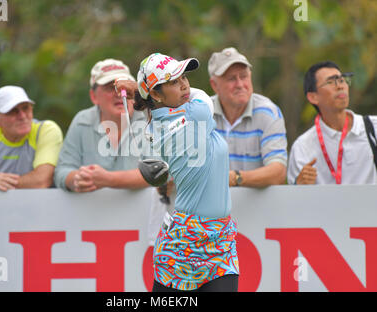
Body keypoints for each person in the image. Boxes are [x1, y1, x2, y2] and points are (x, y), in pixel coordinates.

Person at [116, 53, 239, 292]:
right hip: (185, 244)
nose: (184, 85)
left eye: (183, 77)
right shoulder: (197, 113)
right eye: (173, 81)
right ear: (155, 94)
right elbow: (201, 96)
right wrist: (136, 88)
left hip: (220, 239)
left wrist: (140, 90)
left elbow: (167, 105)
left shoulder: (155, 124)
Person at [53, 58, 150, 193]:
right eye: (111, 88)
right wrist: (76, 179)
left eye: (125, 88)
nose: (119, 94)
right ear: (94, 96)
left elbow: (161, 172)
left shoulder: (149, 117)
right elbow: (62, 171)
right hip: (92, 212)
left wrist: (109, 179)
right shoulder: (82, 120)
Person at [208, 47, 288, 187]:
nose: (240, 85)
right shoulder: (201, 113)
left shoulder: (268, 112)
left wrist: (236, 178)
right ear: (214, 85)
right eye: (232, 79)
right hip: (209, 207)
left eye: (244, 76)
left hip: (259, 208)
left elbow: (278, 173)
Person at [288, 61, 377, 185]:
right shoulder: (302, 147)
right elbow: (296, 201)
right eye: (330, 82)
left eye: (342, 80)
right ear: (313, 97)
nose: (340, 86)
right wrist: (299, 186)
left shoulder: (373, 128)